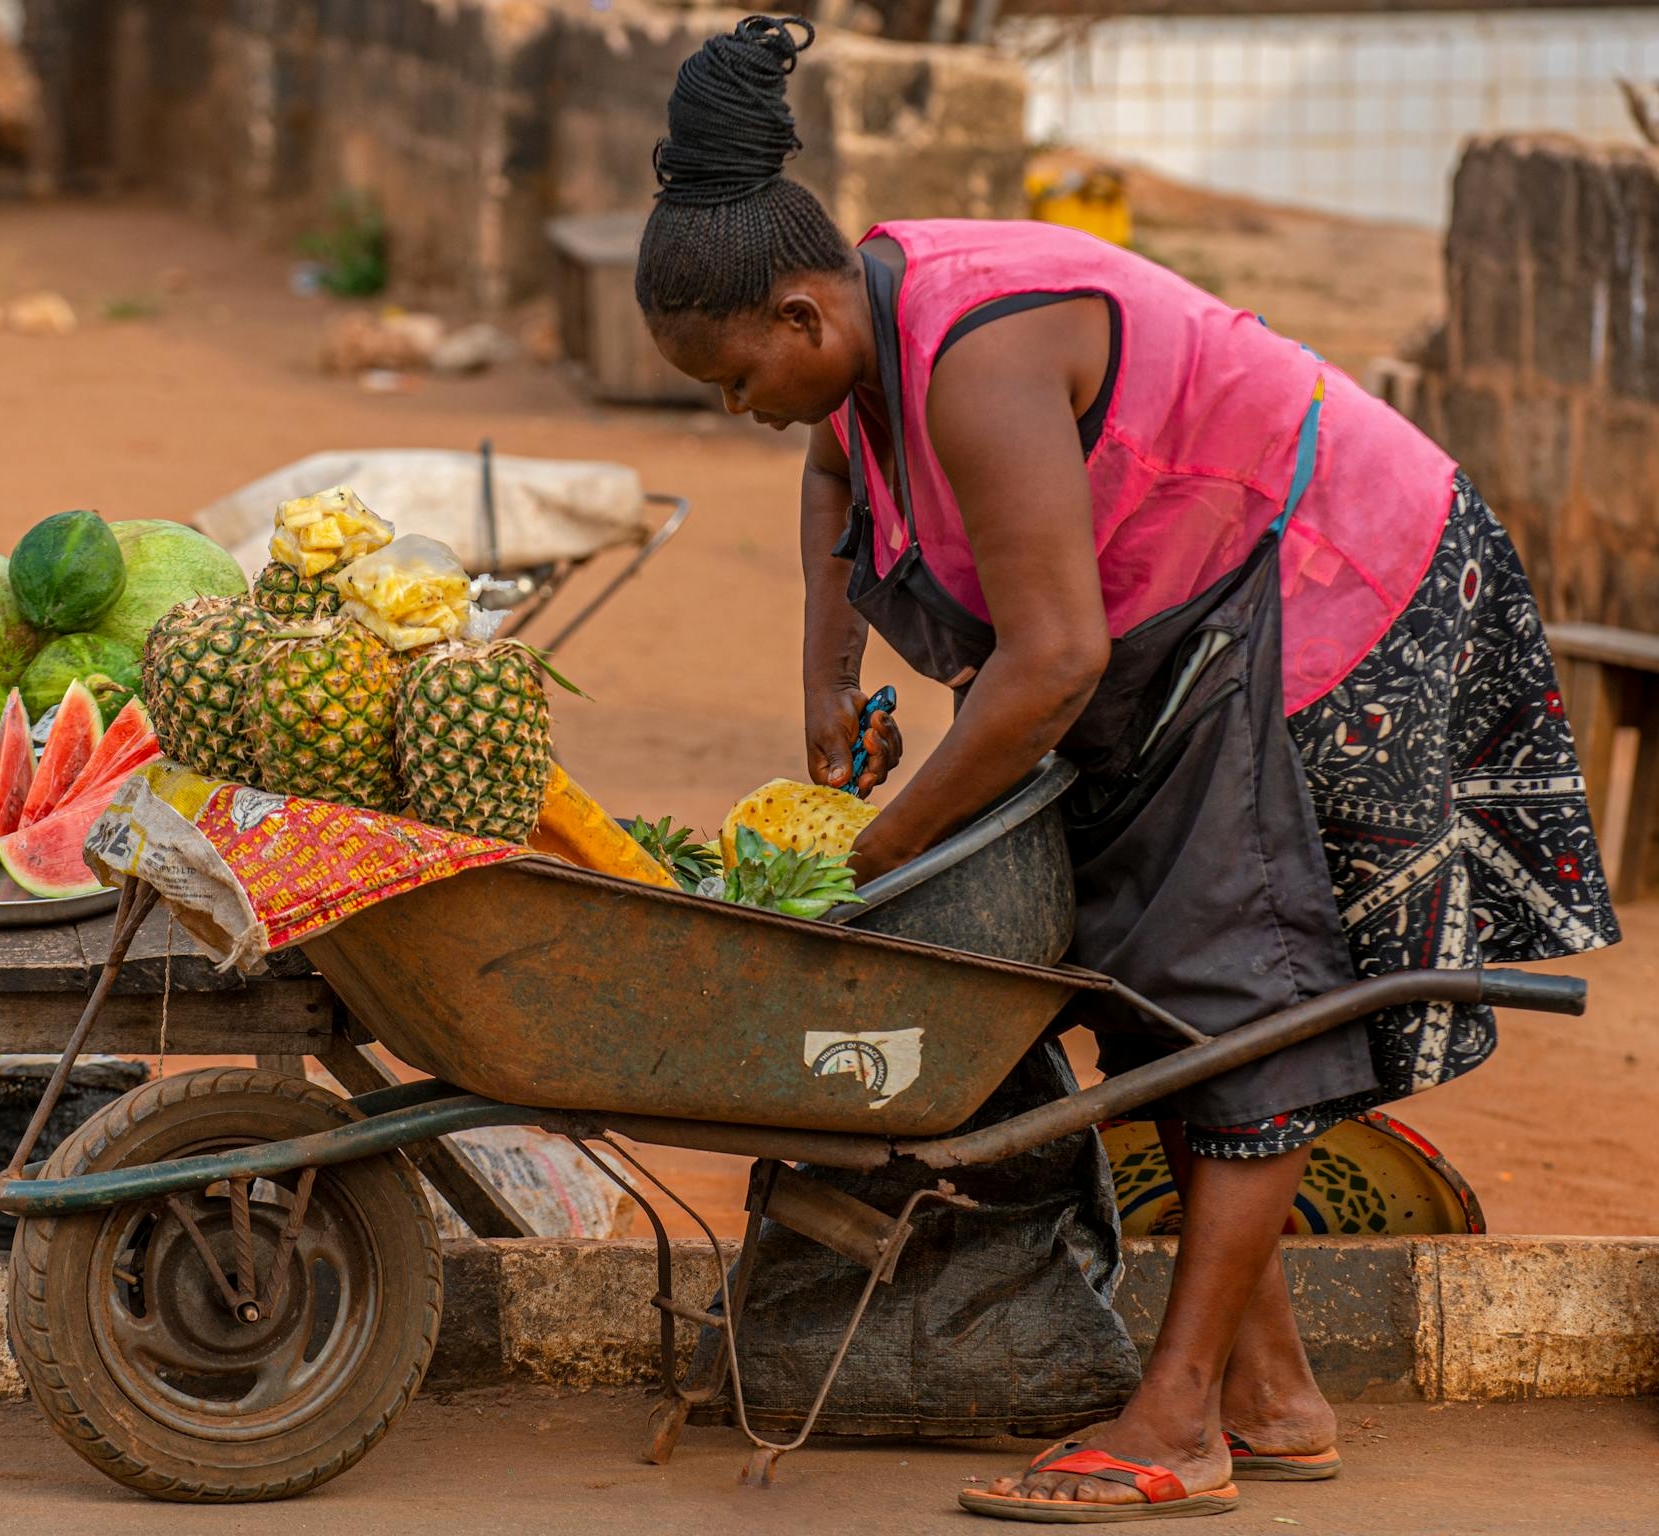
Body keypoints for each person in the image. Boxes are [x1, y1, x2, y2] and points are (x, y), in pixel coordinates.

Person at [636, 15, 1618, 1524]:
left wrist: (879, 854)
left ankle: (1181, 1422)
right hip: (1181, 614)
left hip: (1334, 587)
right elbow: (834, 465)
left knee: (1232, 985)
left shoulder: (977, 357)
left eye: (732, 378)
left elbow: (1051, 665)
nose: (736, 409)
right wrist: (826, 681)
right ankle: (1274, 1396)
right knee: (1137, 977)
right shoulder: (865, 324)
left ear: (801, 312)